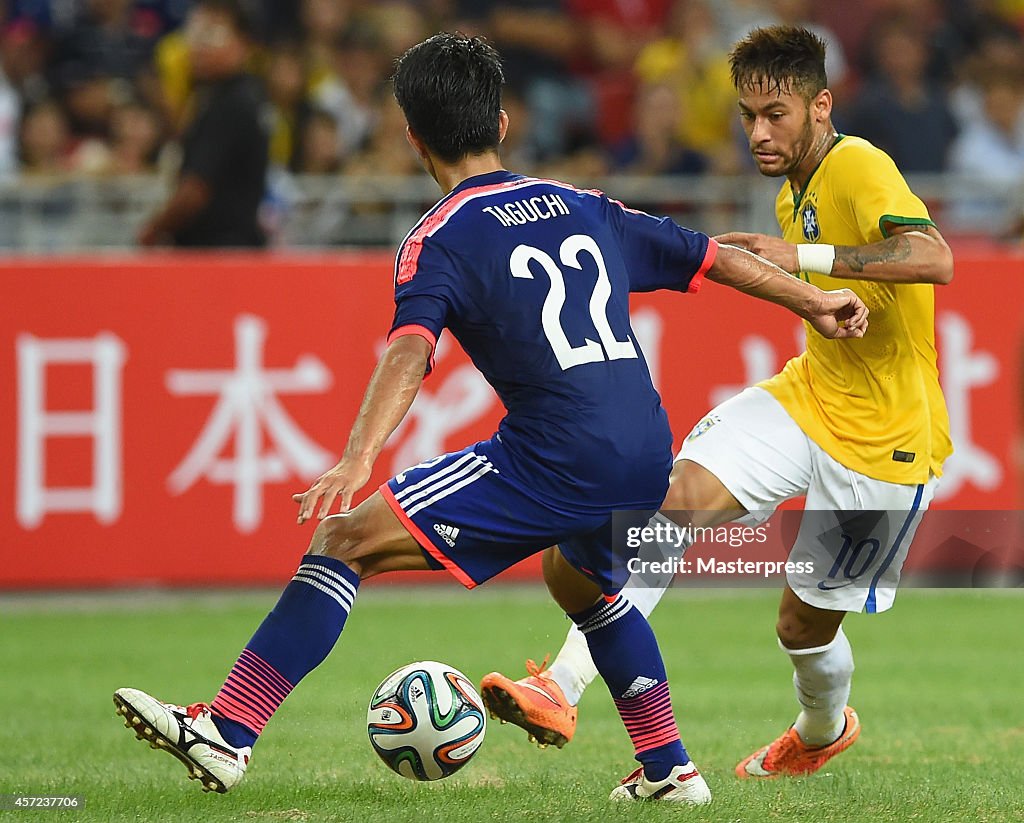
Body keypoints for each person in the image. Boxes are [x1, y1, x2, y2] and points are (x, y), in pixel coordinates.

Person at [112, 32, 867, 803]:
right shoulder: (583, 206)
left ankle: (227, 729)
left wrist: (356, 455)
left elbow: (409, 353)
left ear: (412, 138)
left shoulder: (440, 237)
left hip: (555, 455)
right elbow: (714, 257)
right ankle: (670, 768)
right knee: (582, 582)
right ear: (502, 123)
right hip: (646, 450)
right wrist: (818, 301)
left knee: (344, 541)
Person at [482, 24, 953, 780]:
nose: (759, 132)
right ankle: (559, 685)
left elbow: (936, 257)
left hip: (887, 440)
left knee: (801, 627)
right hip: (809, 398)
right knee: (667, 501)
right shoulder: (790, 189)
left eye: (777, 114)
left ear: (821, 106)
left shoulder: (859, 164)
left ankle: (823, 727)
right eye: (747, 115)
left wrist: (802, 258)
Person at [138, 0, 268, 247]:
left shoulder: (232, 103)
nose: (199, 46)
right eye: (195, 33)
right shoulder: (216, 95)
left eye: (212, 35)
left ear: (243, 43)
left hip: (219, 253)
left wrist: (153, 230)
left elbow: (195, 190)